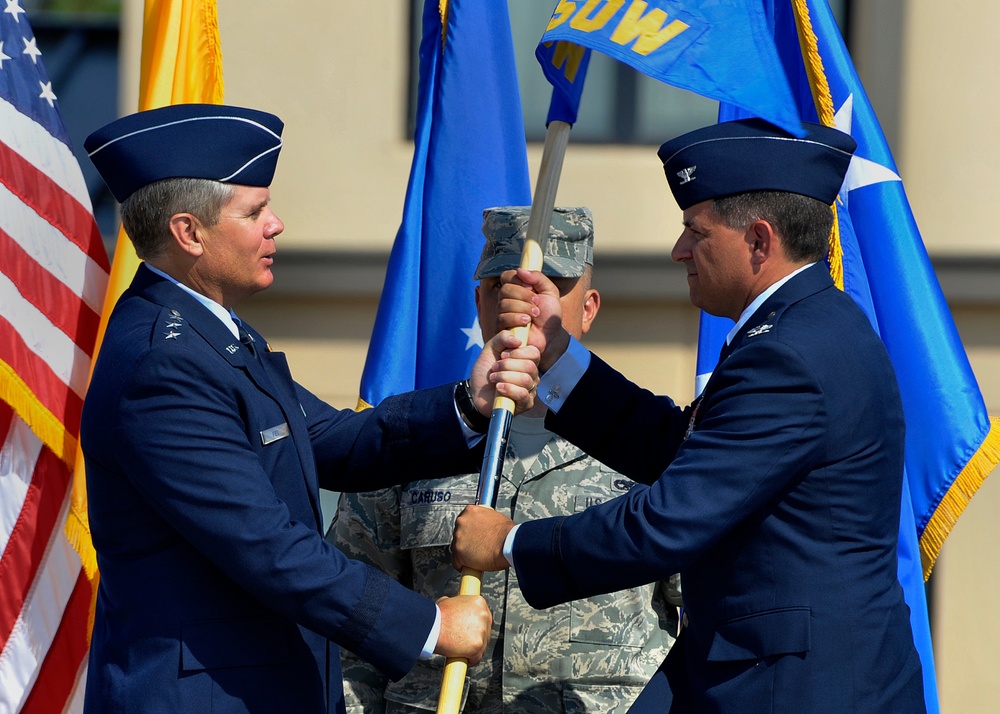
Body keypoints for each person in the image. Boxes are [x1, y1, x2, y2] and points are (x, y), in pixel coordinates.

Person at [451, 118, 927, 713]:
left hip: (792, 689)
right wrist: (556, 349)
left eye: (694, 232)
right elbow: (682, 450)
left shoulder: (789, 354)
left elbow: (670, 518)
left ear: (758, 240)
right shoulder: (801, 331)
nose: (679, 251)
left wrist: (512, 542)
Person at [79, 103, 540, 714]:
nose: (277, 225)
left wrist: (469, 404)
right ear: (189, 233)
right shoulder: (163, 365)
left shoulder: (209, 339)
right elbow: (267, 546)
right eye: (254, 211)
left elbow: (338, 442)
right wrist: (427, 624)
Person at [331, 206, 681, 714]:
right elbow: (353, 622)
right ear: (478, 303)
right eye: (501, 287)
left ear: (588, 309)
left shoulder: (651, 443)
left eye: (548, 288)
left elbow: (702, 611)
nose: (521, 308)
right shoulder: (411, 441)